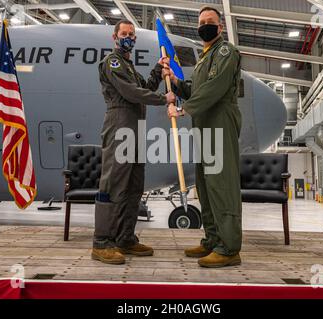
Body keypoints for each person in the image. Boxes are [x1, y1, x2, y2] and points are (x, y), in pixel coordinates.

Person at [164, 6, 243, 268]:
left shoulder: (225, 52)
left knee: (222, 185)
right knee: (206, 186)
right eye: (202, 22)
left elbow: (214, 87)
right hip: (204, 126)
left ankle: (229, 248)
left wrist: (184, 109)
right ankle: (212, 240)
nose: (205, 26)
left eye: (210, 22)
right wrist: (175, 82)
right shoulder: (204, 58)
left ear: (220, 27)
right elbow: (195, 89)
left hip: (219, 123)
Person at [92, 19, 176, 265]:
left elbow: (144, 86)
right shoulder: (113, 62)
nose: (128, 37)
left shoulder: (129, 66)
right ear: (115, 37)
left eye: (132, 34)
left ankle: (125, 238)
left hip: (135, 127)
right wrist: (164, 99)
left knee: (134, 185)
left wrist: (157, 71)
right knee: (114, 184)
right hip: (119, 125)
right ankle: (102, 242)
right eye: (124, 33)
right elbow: (131, 93)